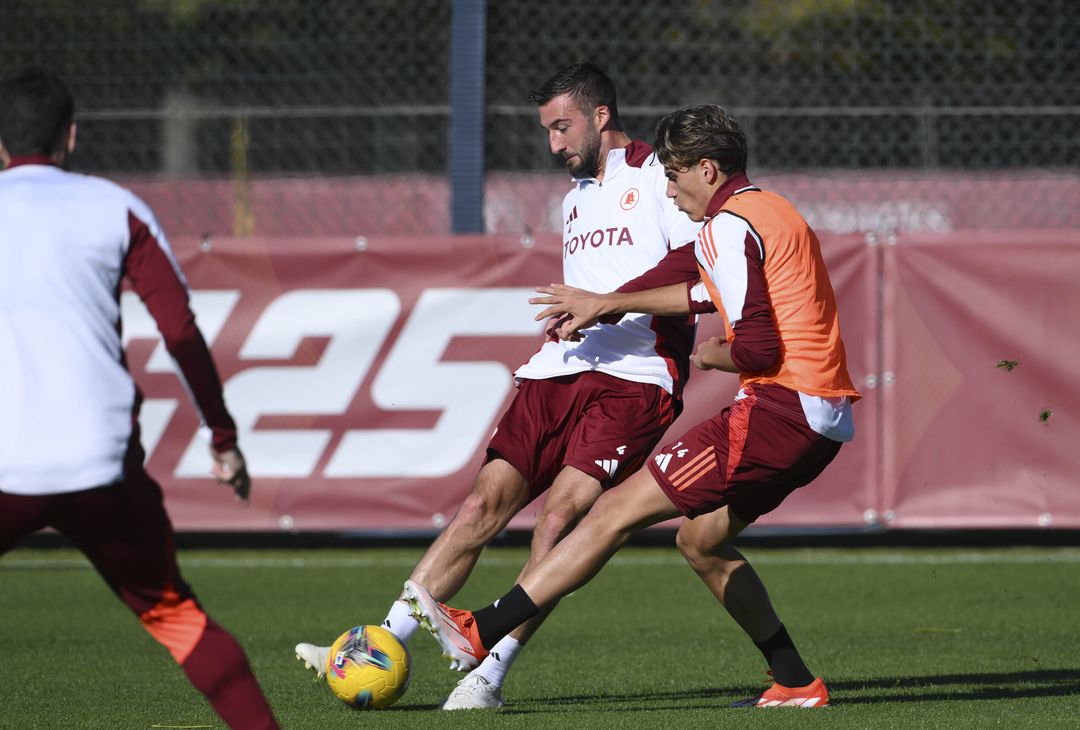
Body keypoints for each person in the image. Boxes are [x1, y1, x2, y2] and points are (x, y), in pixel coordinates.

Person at [403, 104, 860, 709]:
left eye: (675, 177)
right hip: (821, 417)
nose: (669, 193)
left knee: (612, 511)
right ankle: (796, 682)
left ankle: (481, 630)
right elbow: (703, 290)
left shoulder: (724, 226)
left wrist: (713, 357)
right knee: (701, 542)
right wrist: (614, 303)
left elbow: (757, 345)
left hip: (781, 409)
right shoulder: (773, 209)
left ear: (708, 169)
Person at [294, 61, 702, 710]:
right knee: (482, 506)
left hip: (636, 378)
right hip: (558, 370)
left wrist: (609, 301)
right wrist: (581, 310)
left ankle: (489, 674)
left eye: (562, 127)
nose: (554, 145)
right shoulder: (575, 200)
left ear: (601, 117)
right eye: (546, 131)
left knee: (560, 516)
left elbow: (698, 278)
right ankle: (377, 643)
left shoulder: (661, 178)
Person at [0, 67, 278, 730]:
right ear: (70, 135)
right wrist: (224, 439)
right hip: (101, 464)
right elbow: (179, 331)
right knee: (178, 619)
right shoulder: (114, 207)